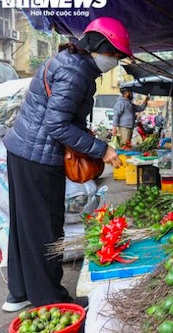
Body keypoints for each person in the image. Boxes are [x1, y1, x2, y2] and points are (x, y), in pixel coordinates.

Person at [1, 17, 130, 312]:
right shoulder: (75, 72)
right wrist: (102, 150)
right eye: (114, 55)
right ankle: (50, 299)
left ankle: (19, 292)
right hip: (38, 156)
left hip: (22, 150)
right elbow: (57, 125)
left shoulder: (71, 62)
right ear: (99, 47)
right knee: (46, 228)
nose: (116, 61)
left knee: (25, 225)